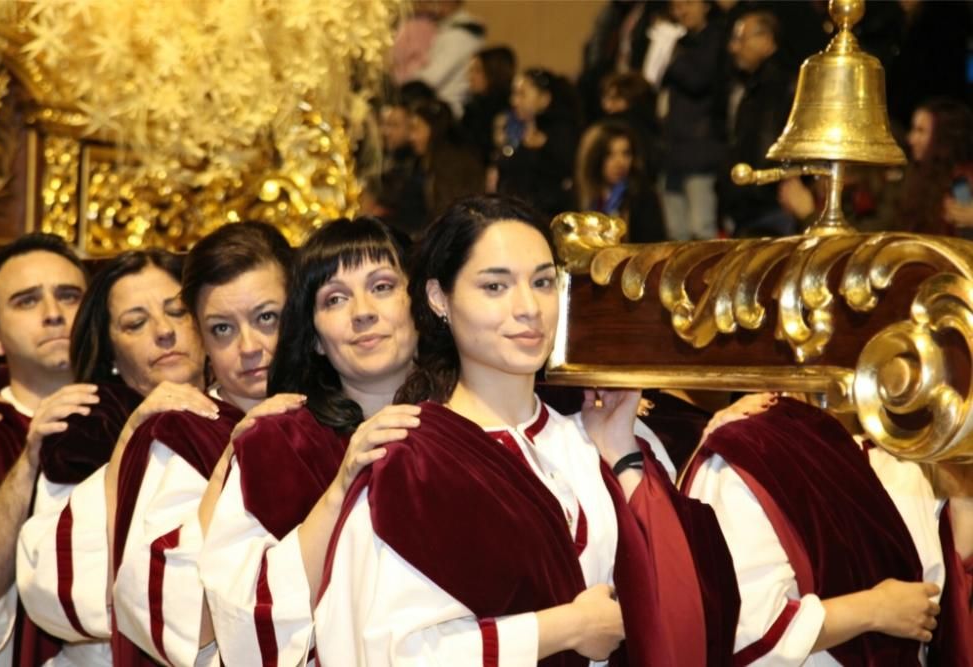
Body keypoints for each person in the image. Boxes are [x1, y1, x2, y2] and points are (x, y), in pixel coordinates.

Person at [313, 195, 742, 665]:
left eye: (542, 282)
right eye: (495, 287)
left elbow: (688, 606)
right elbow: (390, 652)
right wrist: (562, 628)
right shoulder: (412, 461)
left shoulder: (600, 437)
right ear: (439, 299)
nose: (528, 308)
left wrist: (623, 456)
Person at [199, 217, 420, 666]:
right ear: (315, 338)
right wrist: (341, 487)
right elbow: (237, 624)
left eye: (381, 286)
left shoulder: (477, 423)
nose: (362, 311)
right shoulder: (276, 444)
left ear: (425, 303)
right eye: (335, 298)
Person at [16, 249, 213, 666]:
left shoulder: (255, 409)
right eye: (135, 323)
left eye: (177, 312)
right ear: (111, 355)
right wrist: (133, 437)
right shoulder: (86, 432)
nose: (164, 331)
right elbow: (58, 591)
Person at [109, 223, 294, 665]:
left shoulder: (337, 417)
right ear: (199, 335)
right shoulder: (185, 437)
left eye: (267, 317)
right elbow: (176, 618)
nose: (249, 347)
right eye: (223, 329)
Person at [684, 396, 973, 664]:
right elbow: (748, 631)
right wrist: (874, 608)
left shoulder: (906, 461)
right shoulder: (751, 451)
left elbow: (947, 587)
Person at [0, 233, 88, 666]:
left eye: (69, 296)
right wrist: (29, 460)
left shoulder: (144, 419)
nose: (54, 315)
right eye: (27, 301)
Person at [718, 10, 798, 237]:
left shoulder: (784, 87)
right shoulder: (748, 87)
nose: (733, 48)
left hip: (771, 204)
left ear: (767, 40)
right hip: (747, 204)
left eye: (741, 39)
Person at [658, 0, 726, 241]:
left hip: (701, 149)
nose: (681, 11)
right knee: (676, 232)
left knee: (701, 228)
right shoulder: (681, 42)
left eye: (687, 3)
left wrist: (673, 63)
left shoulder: (718, 37)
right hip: (674, 149)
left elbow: (699, 80)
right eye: (675, 6)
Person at [497, 69, 582, 218]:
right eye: (514, 93)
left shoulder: (561, 134)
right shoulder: (515, 127)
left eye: (522, 94)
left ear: (545, 98)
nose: (514, 101)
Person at [576, 120, 665, 243]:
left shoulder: (642, 197)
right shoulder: (579, 196)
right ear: (595, 158)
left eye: (626, 153)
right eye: (610, 155)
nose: (620, 162)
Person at [405, 98, 484, 234]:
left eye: (416, 129)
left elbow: (448, 213)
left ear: (433, 129)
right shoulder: (424, 162)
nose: (411, 137)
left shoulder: (452, 165)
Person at [898, 98, 973, 236]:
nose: (911, 139)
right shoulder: (918, 176)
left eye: (920, 131)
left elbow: (965, 236)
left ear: (942, 137)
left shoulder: (960, 183)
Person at [401, 1, 485, 118]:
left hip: (448, 113)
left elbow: (430, 78)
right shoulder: (448, 30)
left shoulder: (460, 36)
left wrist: (402, 90)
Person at [462, 46, 517, 165]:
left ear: (494, 73)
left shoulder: (510, 111)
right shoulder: (472, 108)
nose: (469, 77)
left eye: (477, 71)